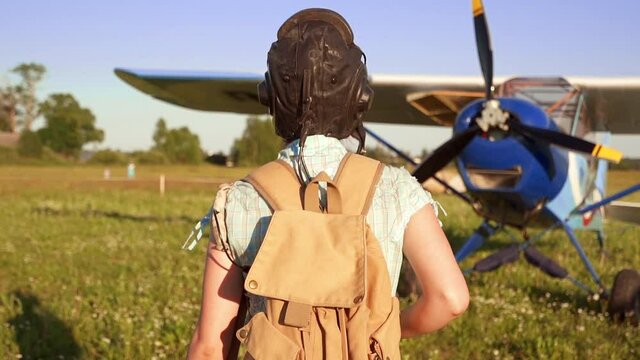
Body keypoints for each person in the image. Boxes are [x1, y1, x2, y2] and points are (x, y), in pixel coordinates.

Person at [187, 8, 468, 359]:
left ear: (271, 98)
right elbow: (451, 299)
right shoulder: (397, 189)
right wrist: (387, 331)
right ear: (360, 98)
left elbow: (211, 346)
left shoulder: (237, 202)